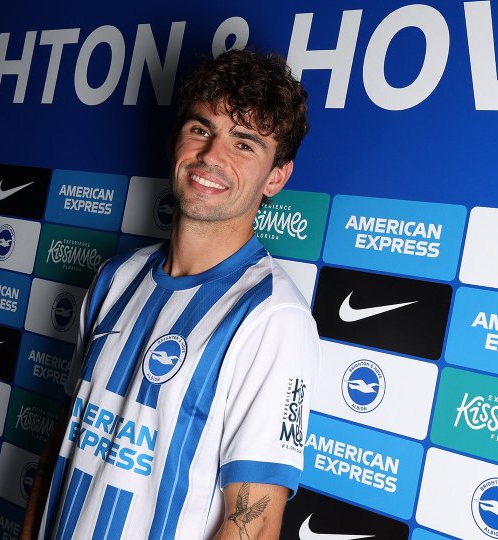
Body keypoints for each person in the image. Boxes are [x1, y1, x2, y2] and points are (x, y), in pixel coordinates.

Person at [22, 48, 319, 540]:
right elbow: (65, 440)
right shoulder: (116, 277)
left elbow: (256, 523)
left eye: (244, 144)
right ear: (176, 139)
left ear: (277, 177)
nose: (211, 157)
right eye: (201, 129)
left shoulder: (272, 318)